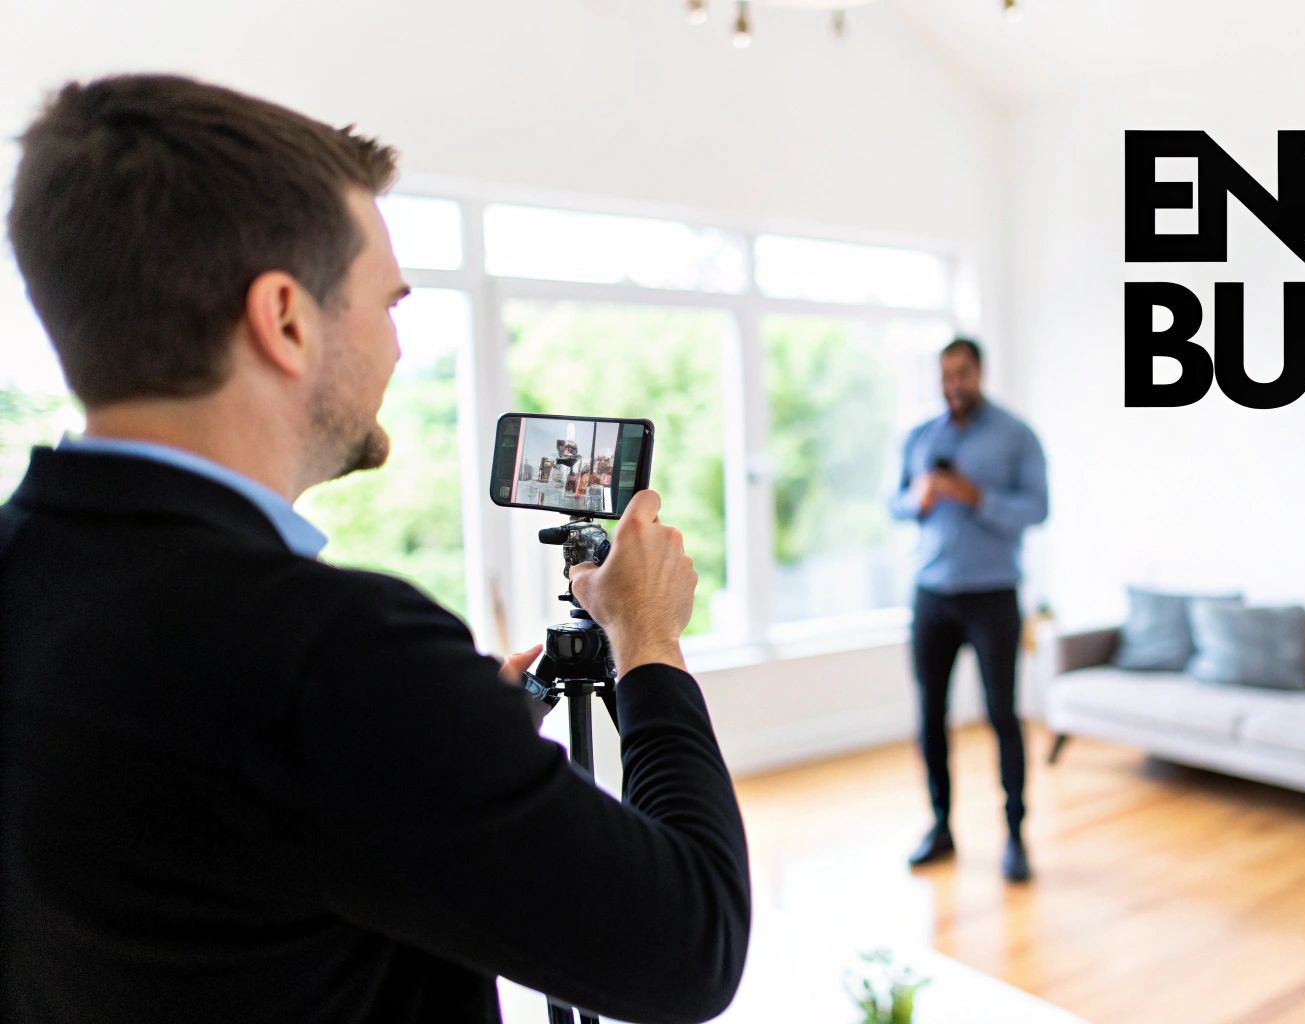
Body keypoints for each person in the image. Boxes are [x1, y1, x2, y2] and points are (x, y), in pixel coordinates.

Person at [0, 75, 749, 1024]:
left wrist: (452, 745)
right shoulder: (333, 657)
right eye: (388, 303)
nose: (398, 348)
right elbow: (691, 947)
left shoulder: (29, 571)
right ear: (285, 319)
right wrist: (647, 638)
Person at [888, 338, 1049, 883]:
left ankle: (1015, 835)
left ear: (980, 373)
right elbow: (894, 503)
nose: (953, 384)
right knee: (930, 715)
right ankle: (941, 826)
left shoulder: (1015, 435)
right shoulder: (920, 437)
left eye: (962, 373)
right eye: (945, 375)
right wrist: (918, 499)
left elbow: (1038, 508)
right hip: (931, 595)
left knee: (1003, 715)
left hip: (993, 595)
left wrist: (976, 496)